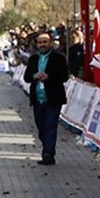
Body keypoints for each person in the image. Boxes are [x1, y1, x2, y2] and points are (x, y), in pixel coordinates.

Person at [23, 31, 69, 165]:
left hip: (53, 98)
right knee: (41, 127)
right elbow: (26, 78)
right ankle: (46, 147)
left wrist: (49, 77)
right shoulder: (33, 59)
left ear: (50, 43)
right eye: (40, 42)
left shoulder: (59, 58)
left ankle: (48, 153)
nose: (42, 45)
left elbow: (64, 76)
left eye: (45, 42)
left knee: (50, 125)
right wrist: (34, 76)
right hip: (38, 99)